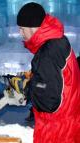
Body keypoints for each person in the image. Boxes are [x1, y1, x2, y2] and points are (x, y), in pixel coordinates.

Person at [17, 2, 80, 143]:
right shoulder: (57, 41)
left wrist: (27, 87)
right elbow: (53, 81)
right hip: (67, 126)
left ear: (33, 28)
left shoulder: (48, 52)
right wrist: (34, 79)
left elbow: (49, 101)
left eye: (22, 29)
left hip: (57, 132)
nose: (20, 33)